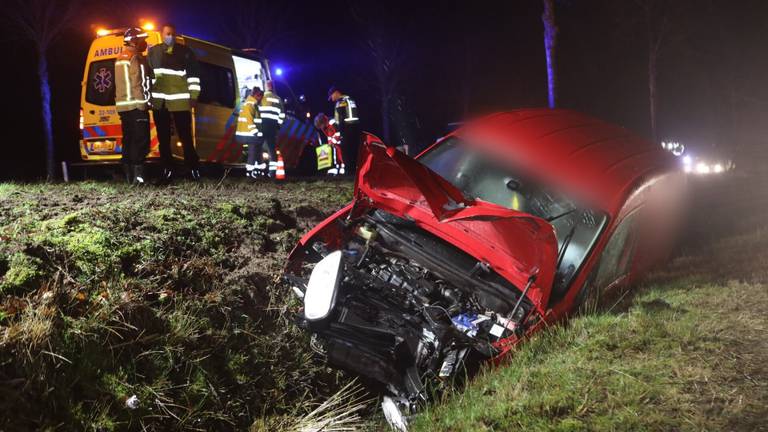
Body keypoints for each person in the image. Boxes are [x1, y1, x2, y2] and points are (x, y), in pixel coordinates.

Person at [148, 23, 202, 182]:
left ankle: (193, 169)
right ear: (161, 34)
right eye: (166, 33)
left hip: (180, 102)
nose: (169, 36)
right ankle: (167, 170)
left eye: (171, 33)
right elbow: (149, 76)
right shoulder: (153, 52)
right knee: (163, 139)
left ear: (175, 34)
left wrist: (193, 96)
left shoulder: (186, 53)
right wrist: (150, 98)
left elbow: (193, 77)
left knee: (185, 137)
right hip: (160, 102)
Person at [115, 27, 151, 185]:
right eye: (143, 39)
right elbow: (139, 83)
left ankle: (129, 178)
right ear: (135, 41)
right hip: (136, 107)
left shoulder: (120, 57)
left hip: (124, 108)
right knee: (140, 141)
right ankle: (139, 178)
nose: (145, 43)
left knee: (128, 141)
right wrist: (144, 105)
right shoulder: (135, 58)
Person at [328, 86, 360, 173]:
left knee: (346, 153)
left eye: (332, 96)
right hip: (355, 128)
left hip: (346, 130)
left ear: (336, 93)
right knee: (354, 151)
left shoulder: (341, 102)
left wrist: (338, 133)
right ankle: (355, 172)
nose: (332, 99)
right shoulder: (350, 99)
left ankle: (349, 172)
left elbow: (341, 119)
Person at [235, 87, 265, 178]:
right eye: (260, 97)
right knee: (253, 152)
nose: (261, 99)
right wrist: (256, 132)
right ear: (256, 95)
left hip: (248, 133)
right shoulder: (250, 105)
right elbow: (249, 120)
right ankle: (250, 172)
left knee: (257, 150)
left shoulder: (251, 104)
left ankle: (258, 170)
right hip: (249, 134)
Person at [258, 81, 284, 178]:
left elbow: (256, 111)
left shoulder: (261, 97)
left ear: (265, 87)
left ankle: (260, 171)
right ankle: (272, 173)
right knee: (272, 150)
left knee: (259, 148)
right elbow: (282, 115)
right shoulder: (278, 99)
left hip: (262, 126)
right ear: (273, 87)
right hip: (272, 127)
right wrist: (278, 126)